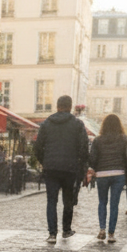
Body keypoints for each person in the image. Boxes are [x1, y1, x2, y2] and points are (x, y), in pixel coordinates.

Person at [33, 94, 89, 244]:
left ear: (57, 106)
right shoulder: (77, 124)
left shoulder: (46, 124)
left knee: (51, 200)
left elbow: (38, 147)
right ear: (70, 107)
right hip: (70, 167)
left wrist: (44, 161)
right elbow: (84, 147)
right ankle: (66, 230)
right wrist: (81, 165)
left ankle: (52, 234)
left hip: (51, 167)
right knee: (68, 200)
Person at [87, 113, 127, 243]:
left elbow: (92, 158)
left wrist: (92, 169)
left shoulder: (98, 140)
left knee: (102, 202)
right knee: (114, 204)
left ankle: (102, 228)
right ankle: (111, 233)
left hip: (102, 174)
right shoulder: (125, 139)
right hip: (119, 173)